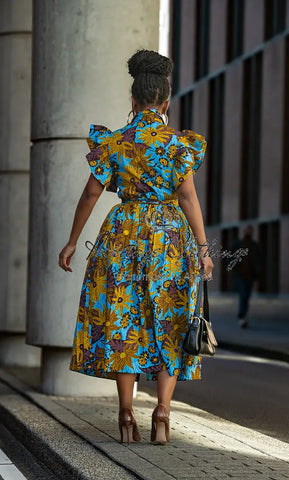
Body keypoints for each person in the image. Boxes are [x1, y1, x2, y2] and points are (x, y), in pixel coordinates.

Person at [58, 49, 213, 445]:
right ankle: (162, 410)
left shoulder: (115, 143)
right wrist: (203, 249)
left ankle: (126, 412)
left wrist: (73, 241)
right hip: (170, 236)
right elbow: (189, 198)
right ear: (165, 103)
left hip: (122, 234)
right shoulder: (179, 145)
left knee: (124, 321)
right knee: (172, 319)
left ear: (133, 101)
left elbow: (91, 194)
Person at [231, 225, 262, 328]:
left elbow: (259, 260)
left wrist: (257, 272)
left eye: (251, 231)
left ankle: (244, 315)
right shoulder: (238, 244)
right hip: (240, 275)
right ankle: (242, 316)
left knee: (246, 296)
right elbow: (229, 257)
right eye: (247, 230)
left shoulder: (255, 245)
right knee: (243, 295)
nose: (249, 232)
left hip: (250, 275)